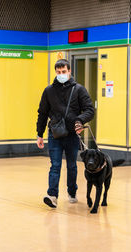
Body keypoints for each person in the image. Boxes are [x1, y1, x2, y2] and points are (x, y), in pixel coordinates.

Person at [36, 59, 95, 208]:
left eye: (64, 72)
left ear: (69, 71)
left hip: (72, 135)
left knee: (71, 165)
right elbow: (42, 113)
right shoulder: (49, 90)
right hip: (54, 134)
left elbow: (89, 109)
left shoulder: (79, 90)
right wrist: (39, 134)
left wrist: (80, 120)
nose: (61, 74)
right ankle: (52, 195)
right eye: (58, 72)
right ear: (55, 72)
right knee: (55, 165)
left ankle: (72, 192)